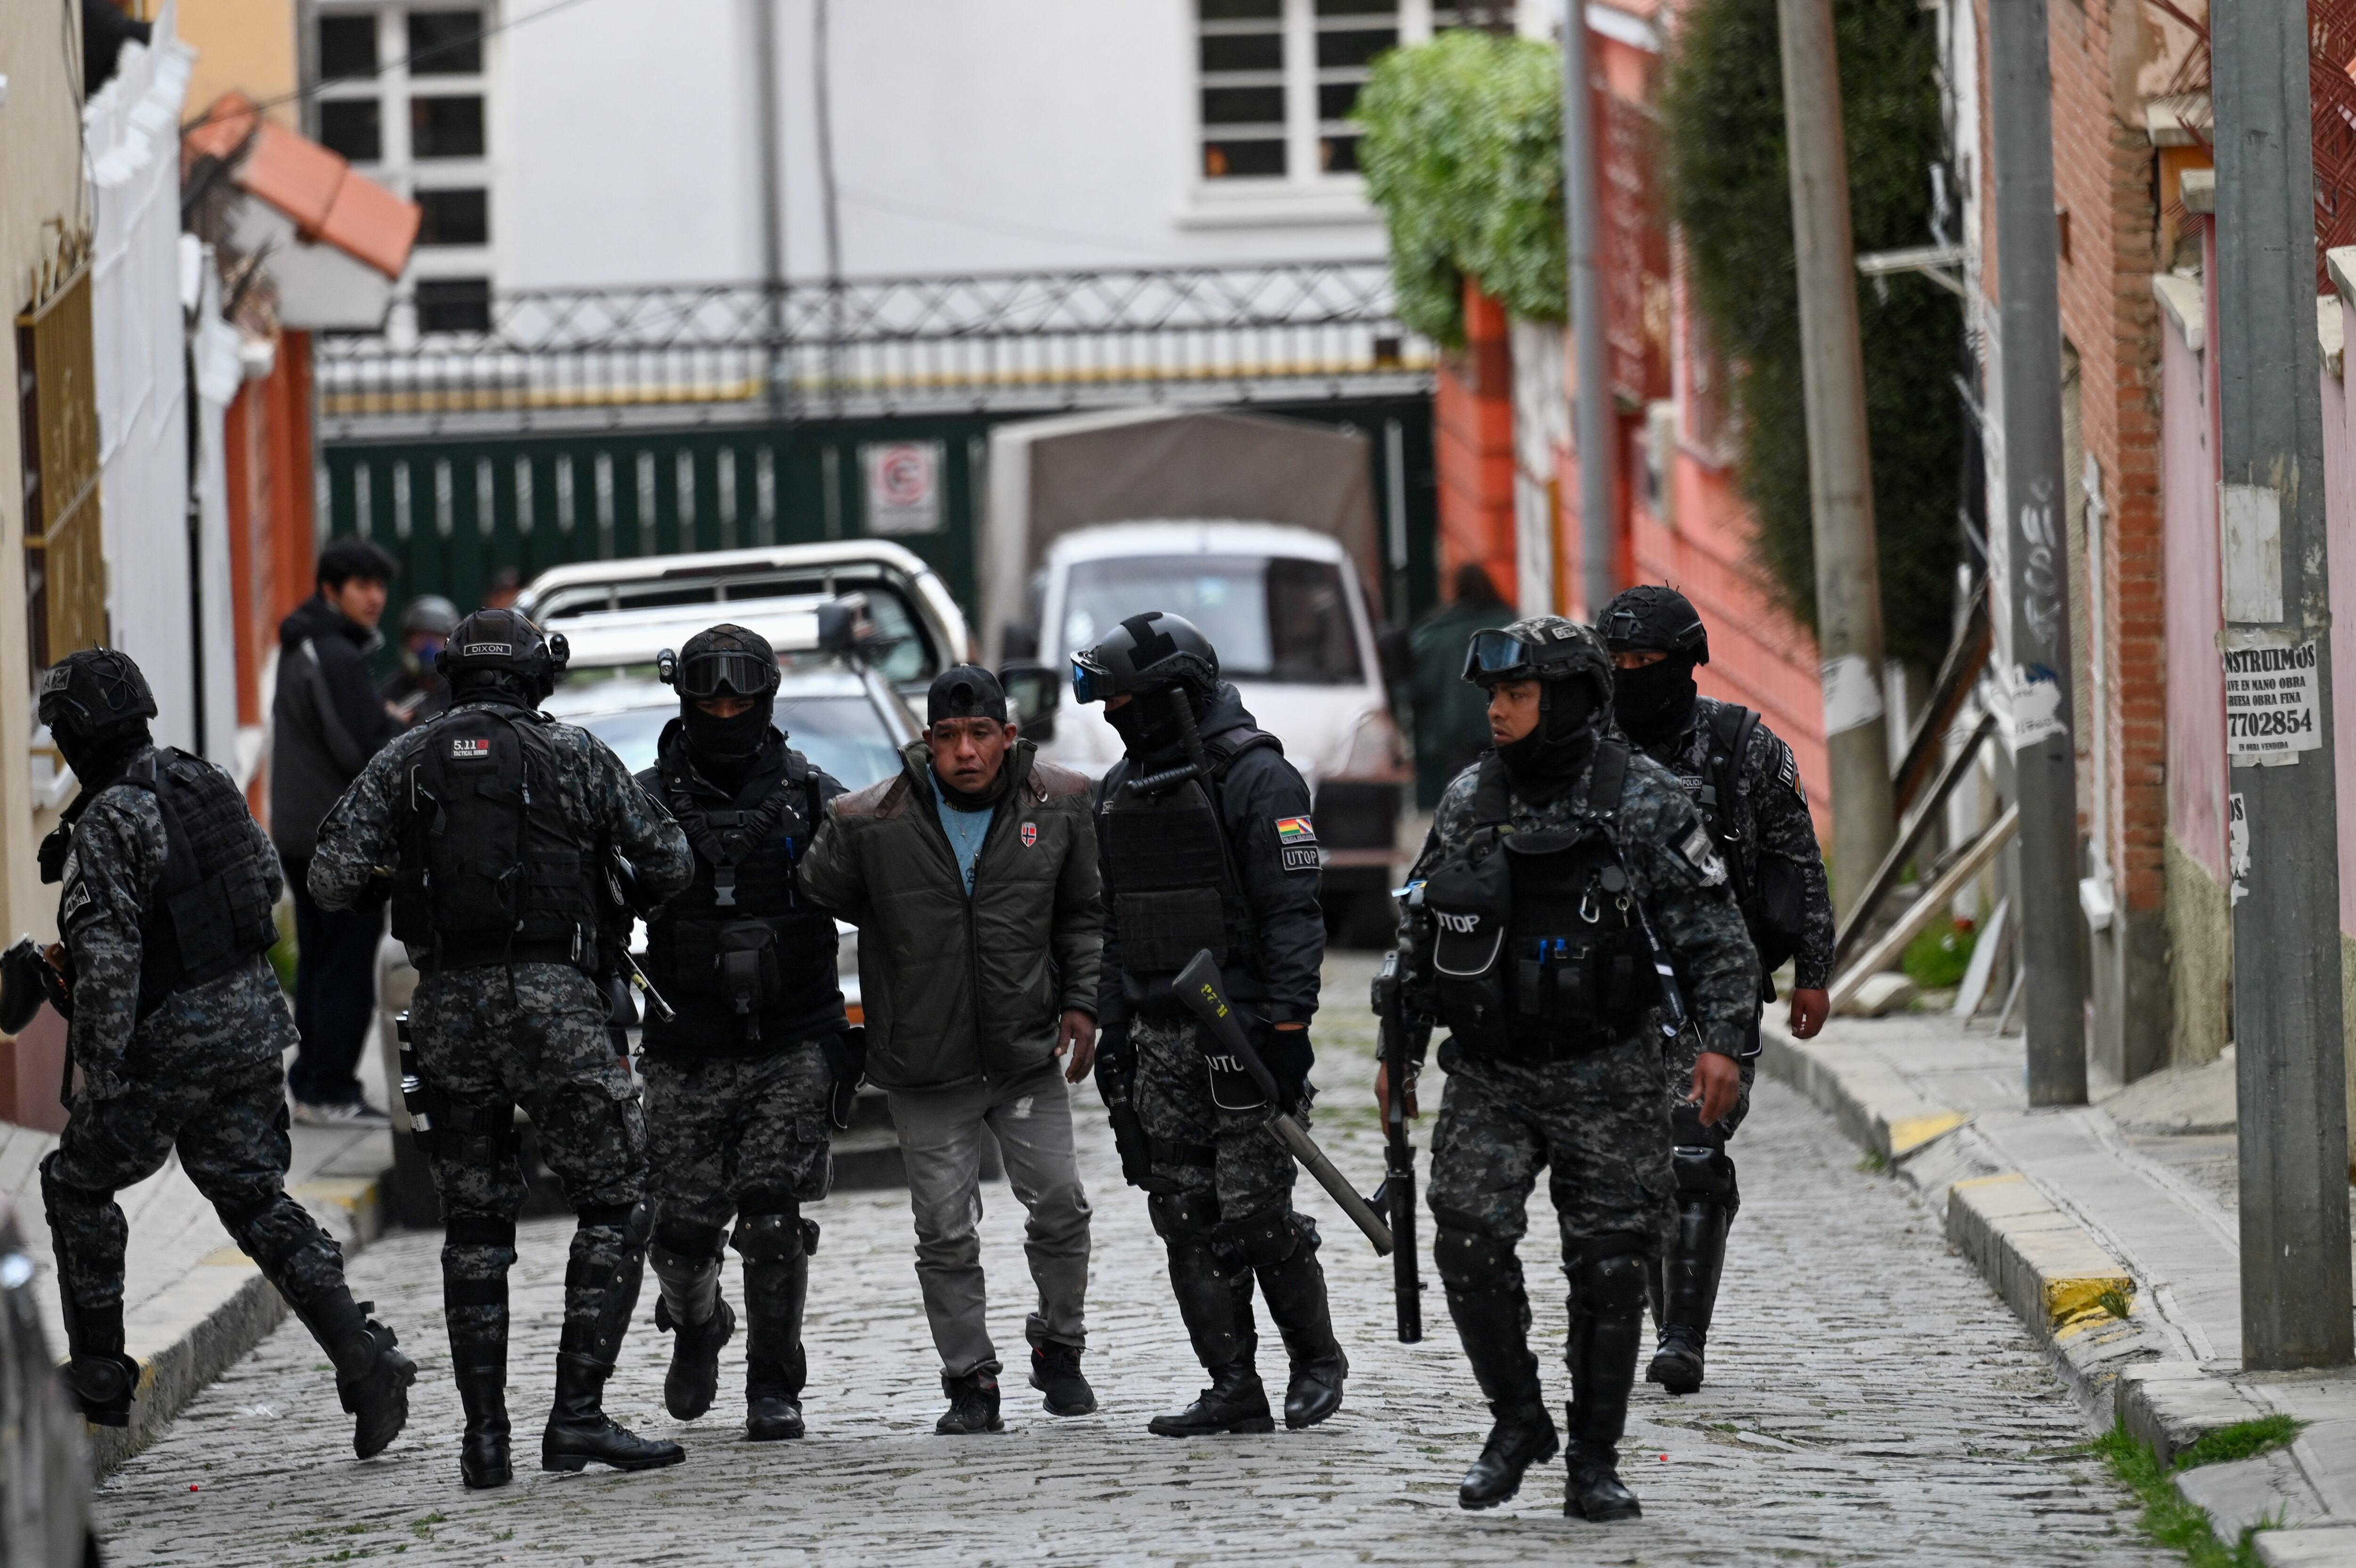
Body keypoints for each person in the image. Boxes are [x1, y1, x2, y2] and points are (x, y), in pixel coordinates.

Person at [306, 609, 695, 1487]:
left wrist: (409, 868)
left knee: (474, 1224)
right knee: (618, 1196)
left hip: (448, 1006)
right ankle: (578, 1415)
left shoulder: (406, 758)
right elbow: (670, 861)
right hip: (556, 1000)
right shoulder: (577, 755)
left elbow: (329, 878)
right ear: (534, 679)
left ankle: (485, 1442)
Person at [1382, 615, 1757, 1521]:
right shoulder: (1473, 797)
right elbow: (1424, 930)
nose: (1500, 711)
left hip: (1613, 1069)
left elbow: (1719, 936)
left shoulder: (1647, 800)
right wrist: (1400, 1053)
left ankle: (1594, 1456)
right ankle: (1517, 1421)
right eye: (1494, 697)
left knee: (1612, 1263)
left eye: (1517, 694)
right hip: (1495, 1070)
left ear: (1571, 700)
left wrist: (1724, 1043)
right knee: (1465, 1236)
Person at [34, 648, 415, 1454]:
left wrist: (100, 1078)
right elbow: (264, 888)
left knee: (76, 1181)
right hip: (249, 1025)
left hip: (166, 1041)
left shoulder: (108, 819)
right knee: (254, 1197)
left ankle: (101, 1370)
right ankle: (360, 1352)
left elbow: (108, 965)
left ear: (74, 735)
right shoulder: (200, 778)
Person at [799, 666, 1102, 1436]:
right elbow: (816, 889)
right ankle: (970, 1381)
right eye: (947, 737)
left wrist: (1081, 1001)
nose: (965, 752)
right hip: (924, 1064)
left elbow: (1083, 912)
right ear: (925, 740)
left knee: (1062, 1204)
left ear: (1008, 735)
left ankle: (1060, 1347)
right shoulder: (874, 821)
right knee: (943, 1227)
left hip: (1024, 1051)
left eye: (980, 735)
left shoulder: (1060, 804)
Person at [1072, 612, 1344, 1437]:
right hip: (1159, 1037)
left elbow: (1294, 913)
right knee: (1183, 1211)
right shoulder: (1121, 790)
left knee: (1256, 1212)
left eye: (1125, 699)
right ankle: (1233, 1384)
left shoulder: (1259, 779)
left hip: (1248, 1027)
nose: (1115, 714)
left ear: (1171, 697)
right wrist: (1115, 1031)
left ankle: (1316, 1361)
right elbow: (1116, 924)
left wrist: (1289, 1026)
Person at [1599, 585, 1833, 1396]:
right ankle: (1666, 1324)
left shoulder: (1743, 747)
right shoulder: (1581, 748)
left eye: (1647, 663)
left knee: (1692, 1150)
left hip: (1713, 987)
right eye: (1618, 662)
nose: (1631, 677)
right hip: (1605, 995)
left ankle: (1681, 1336)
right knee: (1637, 1169)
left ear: (1687, 665)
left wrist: (1814, 970)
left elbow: (1797, 859)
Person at [635, 625, 849, 1442]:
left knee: (771, 1216)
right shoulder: (644, 800)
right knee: (681, 1236)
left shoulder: (816, 794)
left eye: (741, 697)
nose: (726, 711)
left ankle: (773, 1384)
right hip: (687, 1046)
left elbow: (898, 904)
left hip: (791, 1037)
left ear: (766, 698)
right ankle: (697, 1323)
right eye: (710, 698)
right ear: (687, 700)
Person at [271, 538, 401, 1126]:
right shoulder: (333, 653)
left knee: (325, 961)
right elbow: (358, 748)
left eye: (380, 586)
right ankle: (329, 1089)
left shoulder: (309, 644)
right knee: (345, 964)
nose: (375, 597)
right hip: (336, 837)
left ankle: (312, 1083)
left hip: (306, 832)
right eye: (361, 585)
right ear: (331, 589)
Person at [1407, 564, 1514, 809]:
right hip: (1503, 728)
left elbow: (1418, 687)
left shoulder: (1434, 634)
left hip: (1455, 737)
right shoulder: (1510, 627)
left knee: (1460, 801)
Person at [380, 595, 459, 728]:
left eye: (437, 636)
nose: (428, 645)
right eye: (420, 636)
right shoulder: (389, 692)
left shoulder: (463, 690)